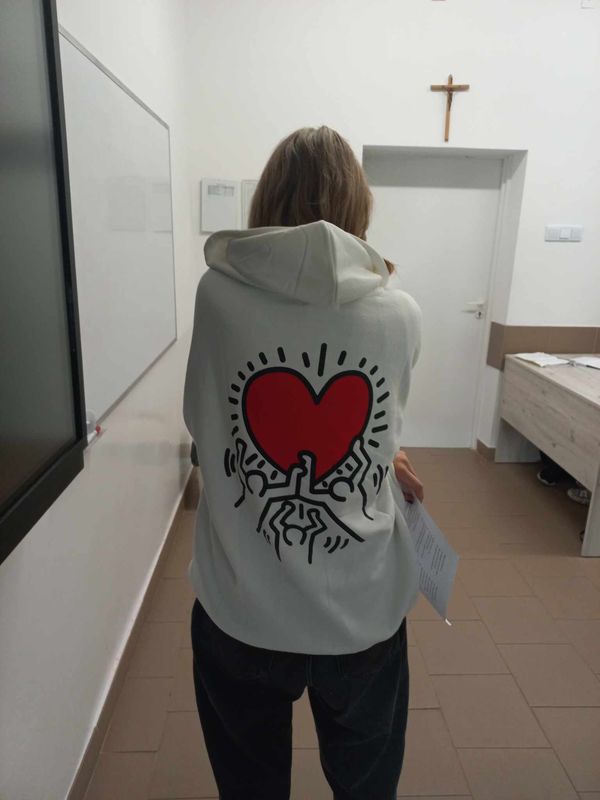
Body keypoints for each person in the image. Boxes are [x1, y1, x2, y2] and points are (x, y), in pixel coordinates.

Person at [182, 126, 423, 800]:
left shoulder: (216, 295)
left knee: (250, 786)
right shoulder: (399, 312)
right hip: (361, 604)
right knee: (366, 786)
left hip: (242, 602)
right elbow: (383, 431)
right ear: (358, 202)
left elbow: (205, 425)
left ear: (267, 196)